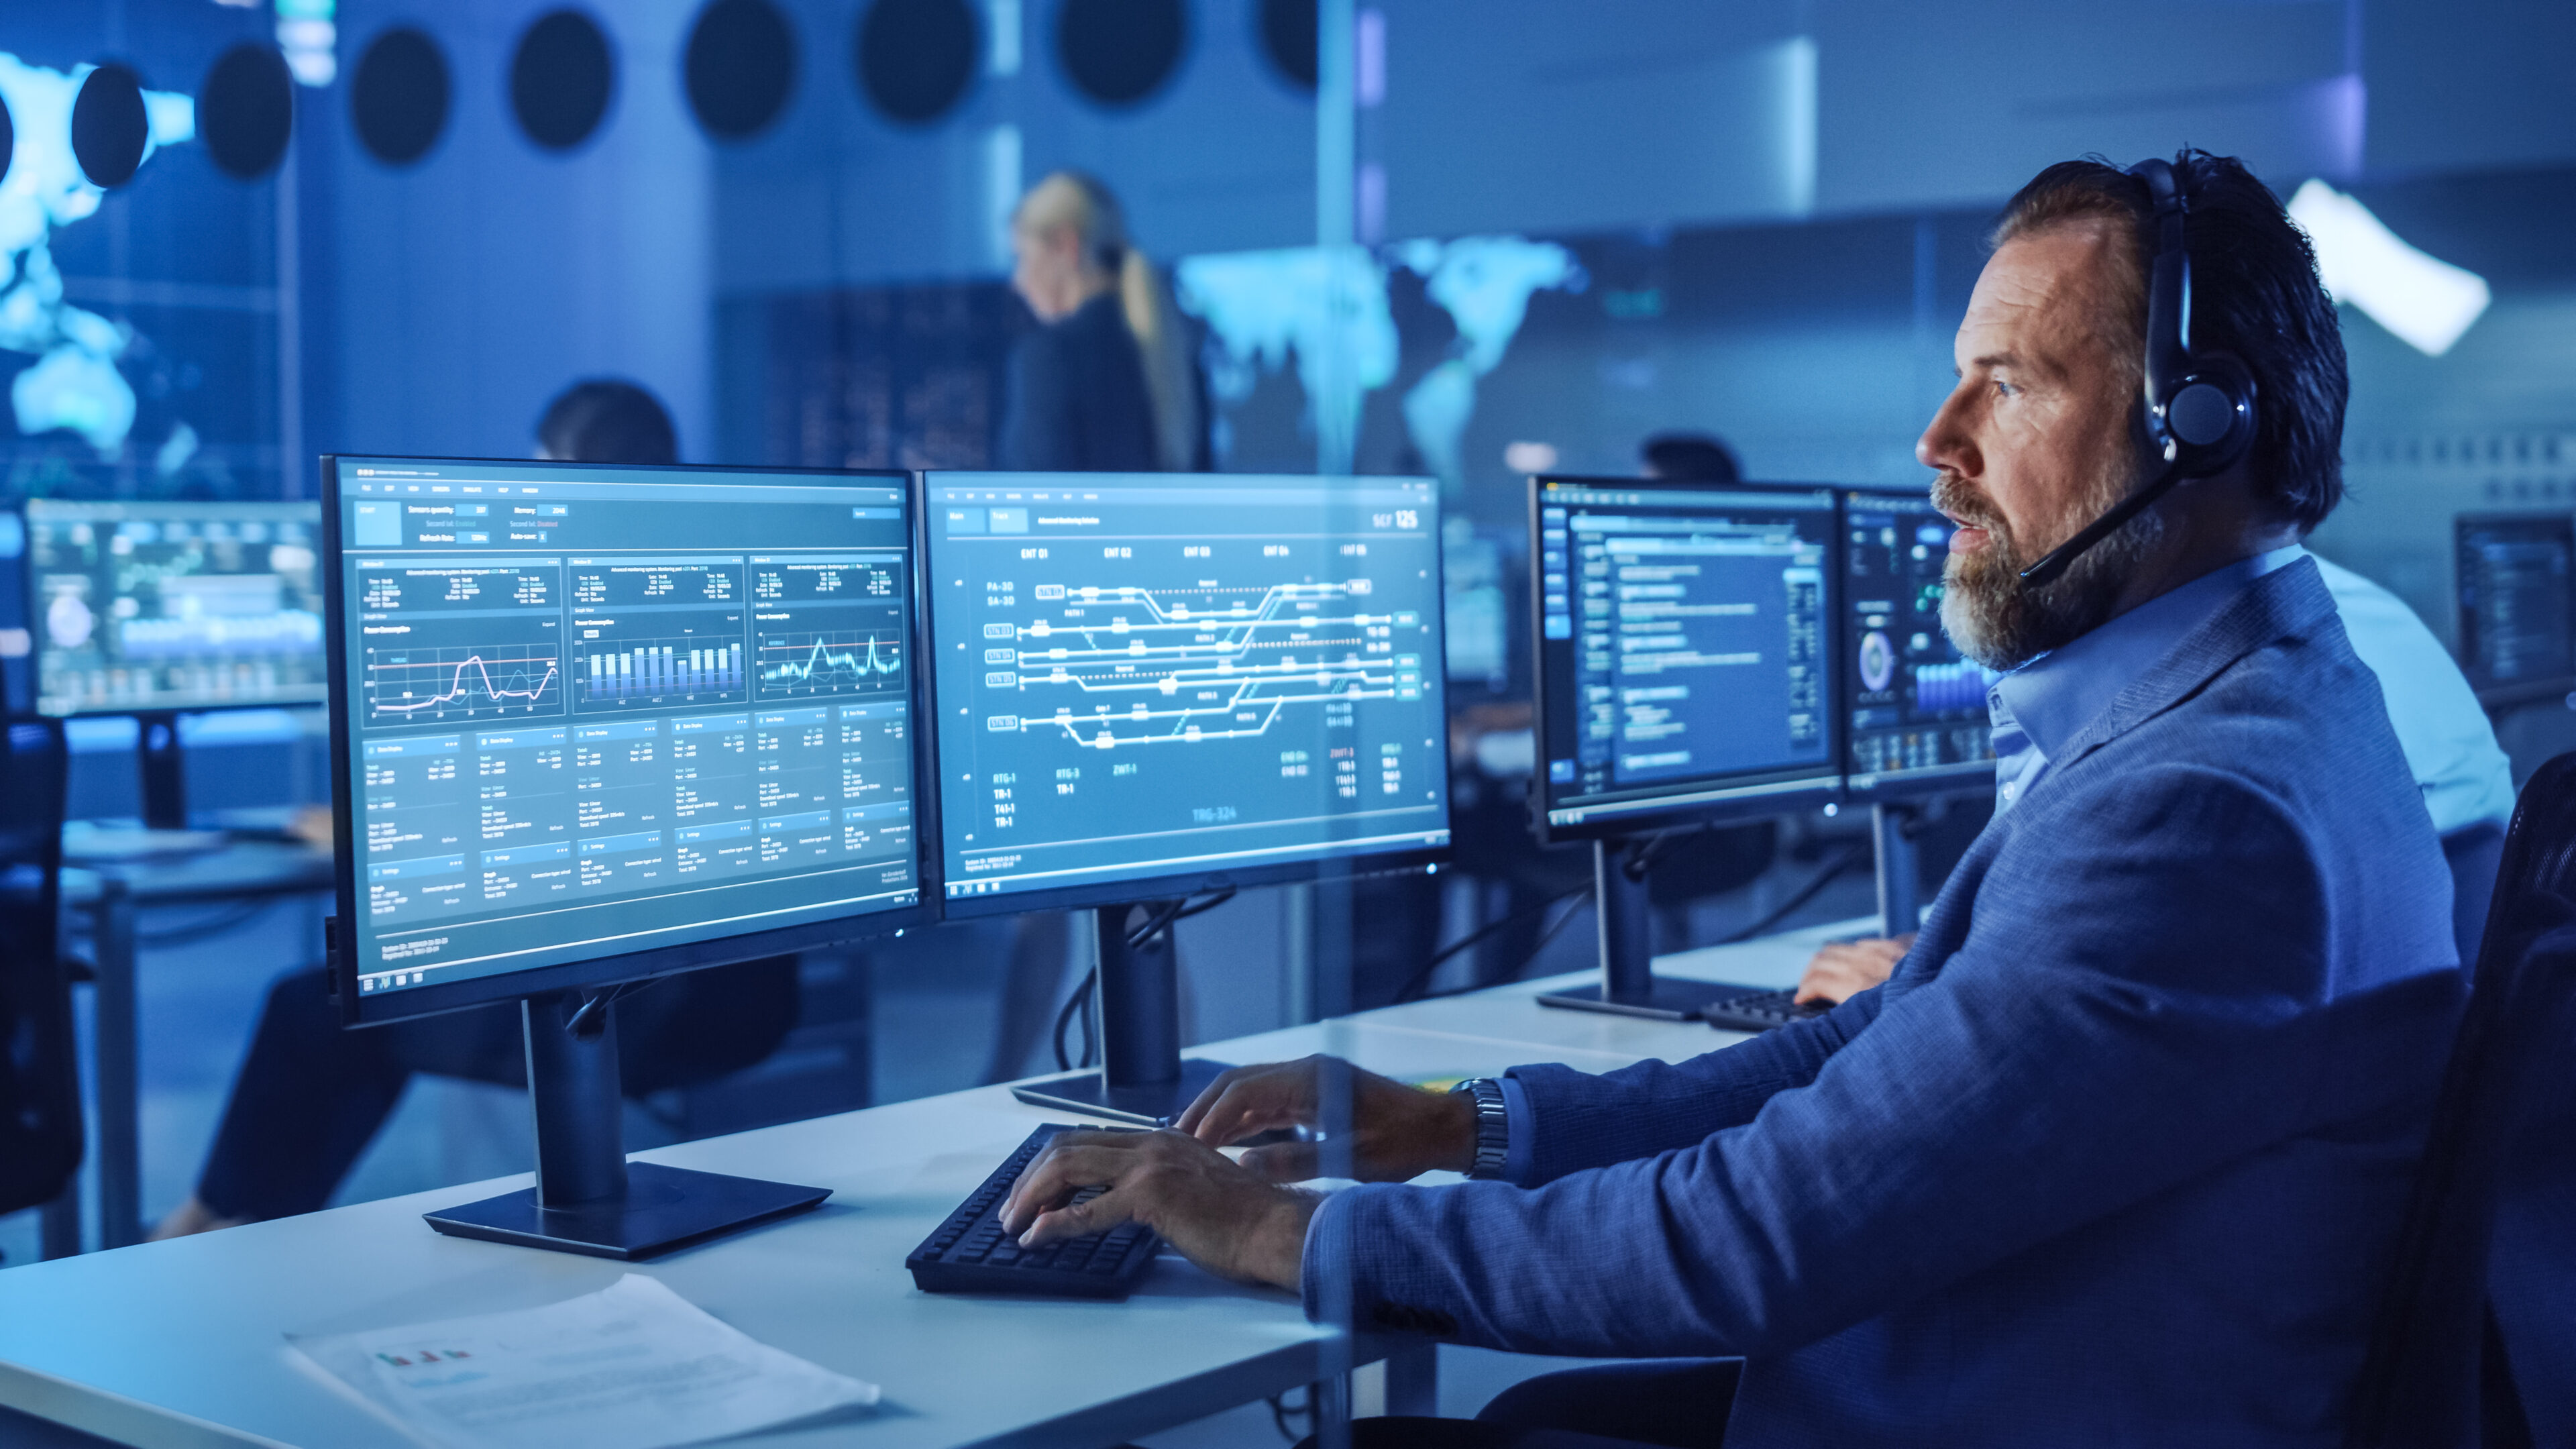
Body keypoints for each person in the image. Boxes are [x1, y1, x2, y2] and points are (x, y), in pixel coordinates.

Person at [991, 151, 2468, 1446]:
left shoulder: (2204, 806)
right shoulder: (2237, 712)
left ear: (2202, 428)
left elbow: (1765, 1233)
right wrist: (1459, 1127)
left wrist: (1289, 1232)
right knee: (1527, 1417)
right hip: (1977, 1374)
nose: (1936, 442)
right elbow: (1867, 1064)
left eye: (2010, 384)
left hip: (1993, 1406)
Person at [152, 380, 802, 1238]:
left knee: (322, 1008)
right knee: (350, 1009)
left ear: (567, 470)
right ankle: (243, 1225)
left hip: (646, 999)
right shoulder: (713, 587)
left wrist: (365, 832)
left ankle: (205, 1231)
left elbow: (541, 819)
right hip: (748, 993)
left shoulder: (583, 602)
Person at [1794, 553, 2516, 1007]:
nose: (1940, 445)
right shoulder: (2347, 615)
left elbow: (2110, 999)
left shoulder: (2211, 696)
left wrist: (1920, 998)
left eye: (2015, 389)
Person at [998, 170, 1206, 474]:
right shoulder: (1176, 352)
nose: (1018, 282)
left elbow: (1035, 504)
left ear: (1066, 247)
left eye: (1023, 257)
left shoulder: (1046, 358)